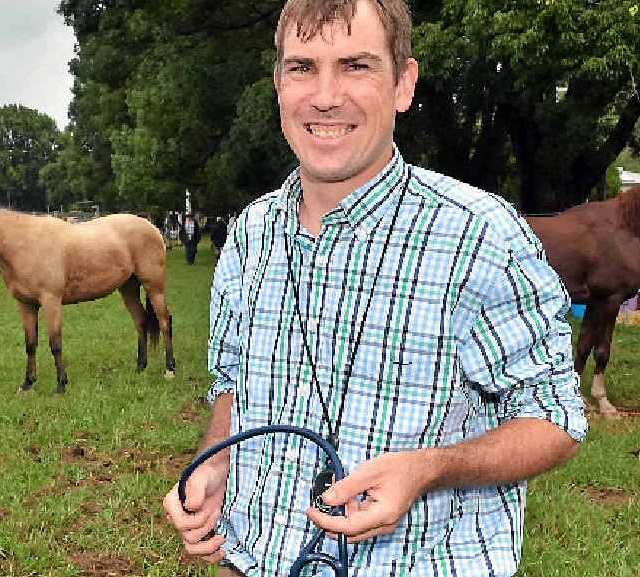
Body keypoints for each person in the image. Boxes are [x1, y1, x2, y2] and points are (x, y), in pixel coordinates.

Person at [162, 1, 587, 576]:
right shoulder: (250, 234)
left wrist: (429, 468)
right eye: (302, 67)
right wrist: (216, 465)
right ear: (278, 85)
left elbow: (555, 418)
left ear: (403, 84)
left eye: (356, 66)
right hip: (252, 562)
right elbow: (236, 385)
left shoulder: (479, 236)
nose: (326, 95)